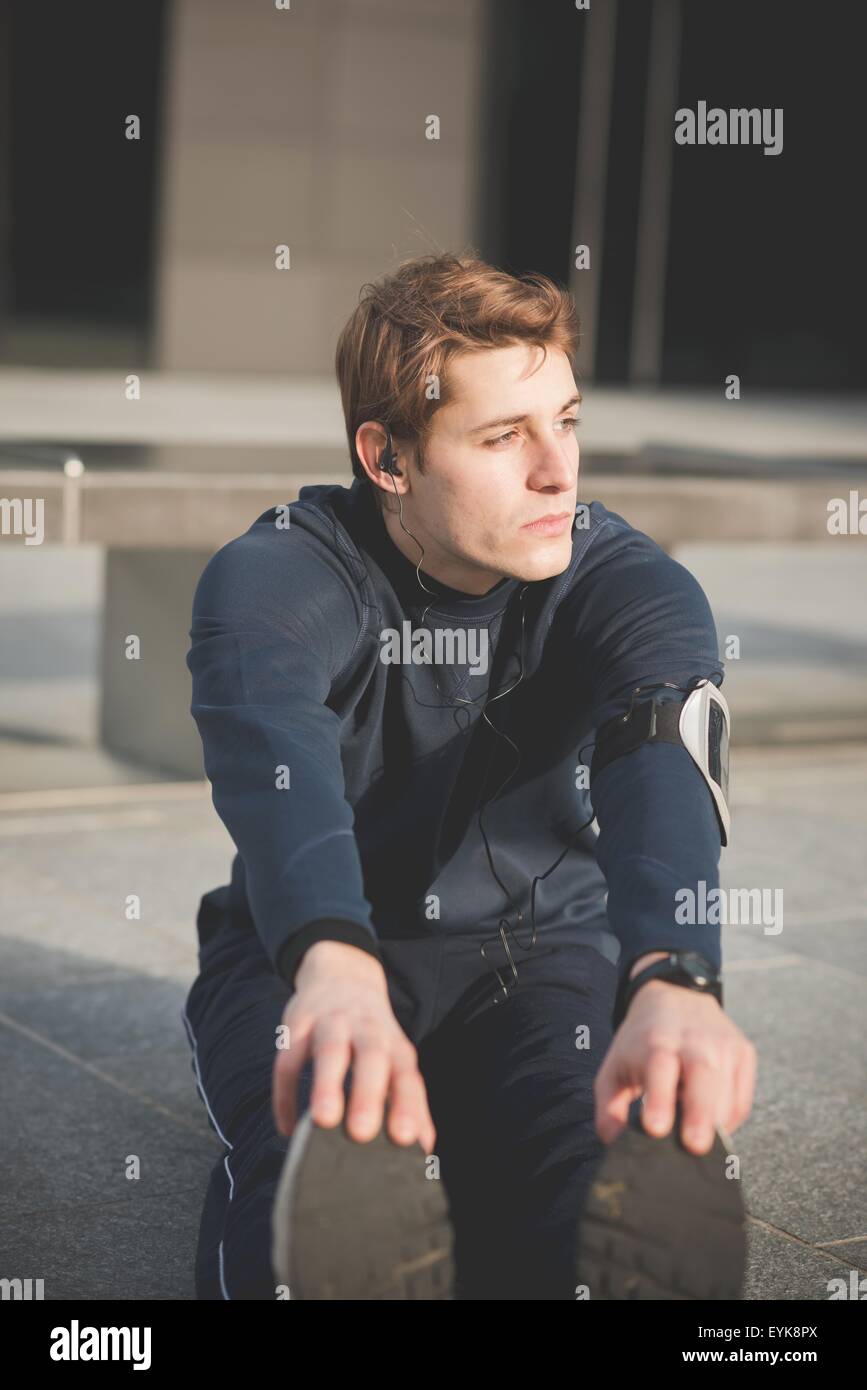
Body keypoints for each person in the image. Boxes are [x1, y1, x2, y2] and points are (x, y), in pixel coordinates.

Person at [181, 251, 756, 1301]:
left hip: (534, 957)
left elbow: (661, 750)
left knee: (587, 1172)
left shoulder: (627, 581)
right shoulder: (277, 575)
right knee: (309, 1167)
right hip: (305, 956)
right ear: (388, 457)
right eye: (504, 437)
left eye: (567, 422)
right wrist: (333, 960)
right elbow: (274, 756)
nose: (559, 471)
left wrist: (676, 973)